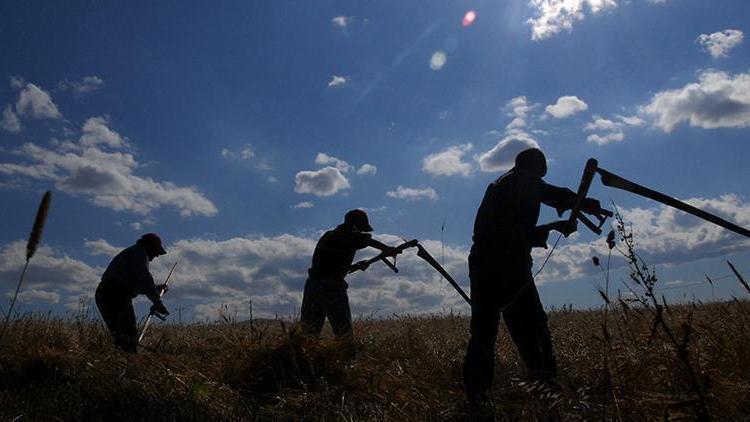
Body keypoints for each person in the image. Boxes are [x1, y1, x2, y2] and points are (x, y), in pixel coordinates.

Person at [463, 148, 601, 404]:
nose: (539, 182)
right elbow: (510, 232)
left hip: (487, 266)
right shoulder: (513, 185)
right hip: (504, 268)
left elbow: (548, 195)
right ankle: (545, 389)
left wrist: (579, 205)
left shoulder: (510, 183)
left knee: (485, 334)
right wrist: (560, 220)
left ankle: (478, 397)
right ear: (530, 171)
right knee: (532, 328)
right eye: (538, 176)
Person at [300, 209, 396, 352]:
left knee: (309, 332)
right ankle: (346, 364)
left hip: (313, 286)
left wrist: (355, 266)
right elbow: (367, 241)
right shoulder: (344, 235)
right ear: (355, 225)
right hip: (331, 287)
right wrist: (387, 249)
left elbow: (330, 264)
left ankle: (304, 362)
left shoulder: (330, 236)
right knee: (343, 332)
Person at [95, 233, 170, 353]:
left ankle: (123, 360)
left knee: (120, 334)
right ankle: (129, 361)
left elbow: (134, 284)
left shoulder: (132, 253)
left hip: (106, 294)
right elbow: (144, 279)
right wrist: (157, 302)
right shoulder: (140, 253)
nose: (156, 255)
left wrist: (155, 289)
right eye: (156, 251)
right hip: (114, 295)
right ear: (149, 246)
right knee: (127, 333)